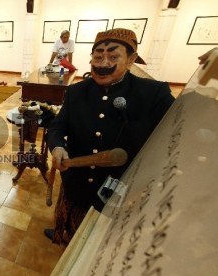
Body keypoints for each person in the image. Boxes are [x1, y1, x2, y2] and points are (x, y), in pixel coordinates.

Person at [45, 28, 175, 245]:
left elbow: (189, 120)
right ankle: (64, 235)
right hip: (76, 182)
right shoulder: (77, 91)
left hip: (119, 190)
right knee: (69, 222)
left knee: (97, 244)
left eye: (113, 56)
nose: (103, 62)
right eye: (97, 56)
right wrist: (57, 146)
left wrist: (210, 70)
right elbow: (57, 126)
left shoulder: (153, 94)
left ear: (131, 59)